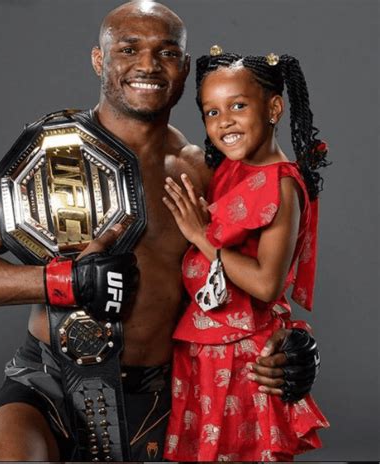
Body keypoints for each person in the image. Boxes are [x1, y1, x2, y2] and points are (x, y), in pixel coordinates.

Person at [0, 2, 320, 461]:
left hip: (164, 396)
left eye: (167, 53)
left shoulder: (204, 172)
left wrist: (291, 345)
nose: (148, 65)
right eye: (129, 49)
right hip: (51, 383)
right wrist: (64, 282)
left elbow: (255, 280)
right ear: (99, 59)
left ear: (186, 67)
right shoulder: (56, 156)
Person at [162, 50, 330, 461]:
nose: (224, 122)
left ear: (274, 108)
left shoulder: (281, 185)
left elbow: (265, 283)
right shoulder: (232, 169)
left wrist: (201, 237)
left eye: (238, 106)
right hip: (202, 350)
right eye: (211, 112)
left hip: (242, 359)